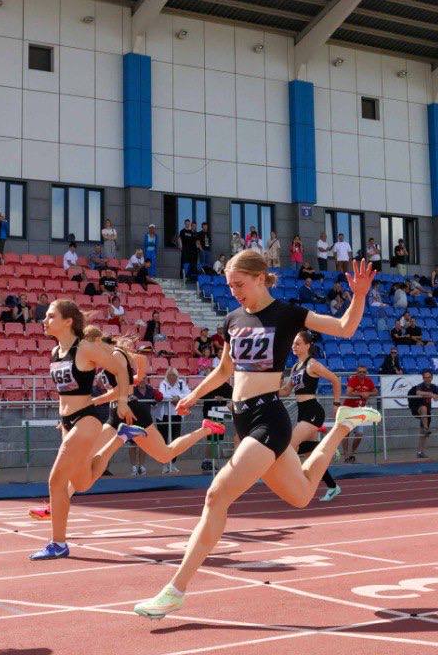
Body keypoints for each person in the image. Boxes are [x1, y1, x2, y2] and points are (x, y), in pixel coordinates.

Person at [132, 252, 380, 618]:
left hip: (269, 418)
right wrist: (193, 395)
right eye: (230, 285)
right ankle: (342, 424)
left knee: (216, 496)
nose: (233, 292)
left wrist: (358, 296)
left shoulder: (287, 313)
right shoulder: (232, 319)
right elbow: (223, 371)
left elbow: (344, 328)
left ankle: (174, 590)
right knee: (301, 494)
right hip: (242, 418)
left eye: (240, 284)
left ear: (261, 278)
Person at [26, 301, 133, 558]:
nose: (45, 320)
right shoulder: (55, 352)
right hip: (67, 421)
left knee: (56, 480)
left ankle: (58, 543)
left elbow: (119, 367)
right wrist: (61, 417)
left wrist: (122, 401)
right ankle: (119, 440)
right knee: (82, 482)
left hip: (86, 420)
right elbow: (65, 392)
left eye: (51, 316)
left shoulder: (84, 348)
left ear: (68, 321)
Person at [86, 357, 219, 480]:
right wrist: (136, 378)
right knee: (88, 454)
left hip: (132, 411)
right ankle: (72, 486)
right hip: (116, 411)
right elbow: (126, 385)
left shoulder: (117, 355)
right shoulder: (103, 360)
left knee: (165, 455)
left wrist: (95, 401)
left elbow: (138, 364)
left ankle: (206, 429)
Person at [281, 330, 344, 501]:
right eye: (293, 343)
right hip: (302, 412)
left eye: (298, 343)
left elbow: (335, 380)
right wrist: (267, 391)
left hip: (313, 411)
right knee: (313, 458)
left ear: (308, 346)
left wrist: (336, 404)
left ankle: (326, 449)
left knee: (289, 445)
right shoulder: (295, 367)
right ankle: (332, 486)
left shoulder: (313, 364)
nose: (294, 346)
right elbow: (286, 391)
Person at [339, 365, 377, 464]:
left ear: (366, 373)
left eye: (364, 372)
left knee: (359, 434)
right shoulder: (353, 380)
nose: (362, 373)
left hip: (360, 411)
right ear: (357, 372)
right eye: (360, 372)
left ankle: (352, 453)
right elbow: (348, 392)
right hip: (348, 409)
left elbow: (376, 391)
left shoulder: (368, 381)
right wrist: (361, 394)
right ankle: (346, 455)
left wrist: (368, 393)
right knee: (346, 434)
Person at [408, 370, 438, 459]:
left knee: (423, 432)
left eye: (429, 377)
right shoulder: (420, 386)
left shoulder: (434, 386)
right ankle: (425, 428)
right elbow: (418, 392)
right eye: (425, 377)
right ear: (423, 378)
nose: (427, 379)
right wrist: (431, 394)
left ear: (431, 378)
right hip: (417, 406)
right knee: (424, 409)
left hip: (427, 411)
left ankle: (420, 452)